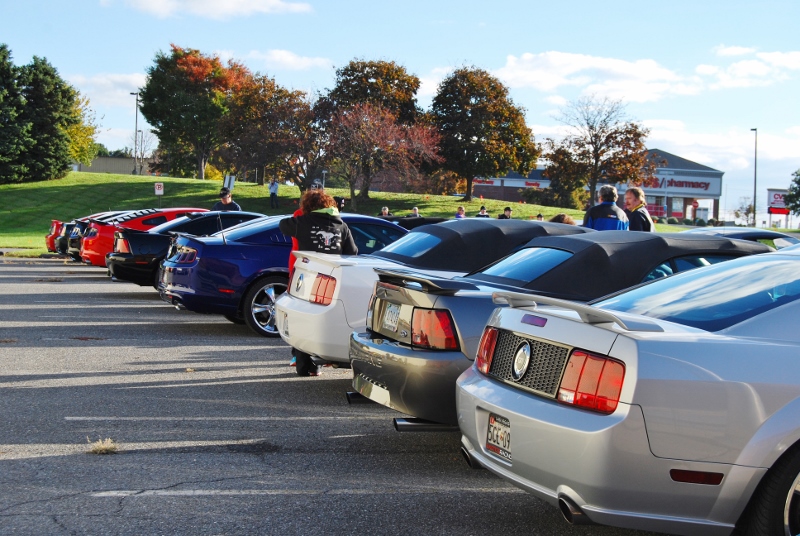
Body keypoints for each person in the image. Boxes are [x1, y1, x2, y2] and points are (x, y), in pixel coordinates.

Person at [280, 189, 358, 376]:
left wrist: (301, 215)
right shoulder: (341, 225)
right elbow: (353, 252)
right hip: (331, 279)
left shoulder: (303, 222)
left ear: (308, 207)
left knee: (303, 318)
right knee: (325, 317)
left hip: (306, 277)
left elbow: (283, 225)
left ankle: (305, 364)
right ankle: (325, 357)